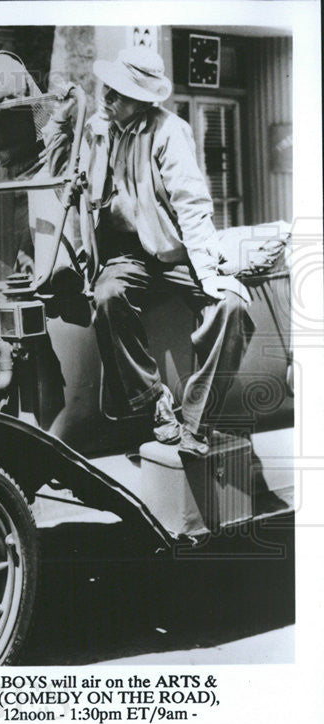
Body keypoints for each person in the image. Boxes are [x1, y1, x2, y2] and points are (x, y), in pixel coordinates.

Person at [84, 46, 254, 456]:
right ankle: (154, 402)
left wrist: (209, 273)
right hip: (126, 254)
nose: (106, 100)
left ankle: (197, 419)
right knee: (107, 297)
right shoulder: (99, 130)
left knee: (233, 306)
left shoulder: (168, 130)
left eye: (117, 95)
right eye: (106, 91)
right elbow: (87, 195)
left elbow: (192, 204)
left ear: (142, 100)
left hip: (173, 251)